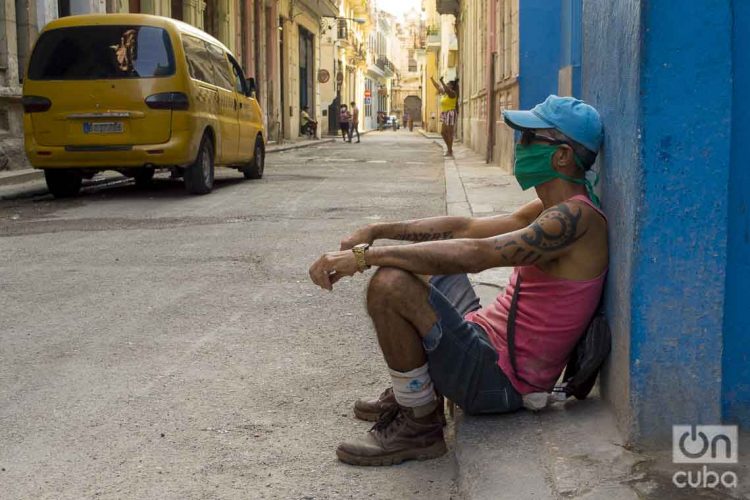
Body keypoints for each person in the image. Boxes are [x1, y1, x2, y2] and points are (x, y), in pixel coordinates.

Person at [309, 95, 607, 466]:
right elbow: (463, 229)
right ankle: (417, 388)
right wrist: (375, 230)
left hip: (502, 382)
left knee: (390, 284)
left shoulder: (574, 220)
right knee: (428, 259)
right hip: (486, 340)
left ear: (562, 156)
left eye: (530, 139)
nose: (520, 147)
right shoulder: (553, 208)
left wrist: (365, 257)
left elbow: (478, 255)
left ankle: (419, 425)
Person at [430, 76, 459, 156]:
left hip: (451, 113)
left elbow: (447, 90)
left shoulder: (453, 94)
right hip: (445, 113)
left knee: (449, 133)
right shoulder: (445, 94)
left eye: (448, 85)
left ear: (451, 86)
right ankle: (449, 149)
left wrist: (442, 81)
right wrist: (432, 80)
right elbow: (438, 87)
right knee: (443, 133)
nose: (446, 86)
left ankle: (449, 151)